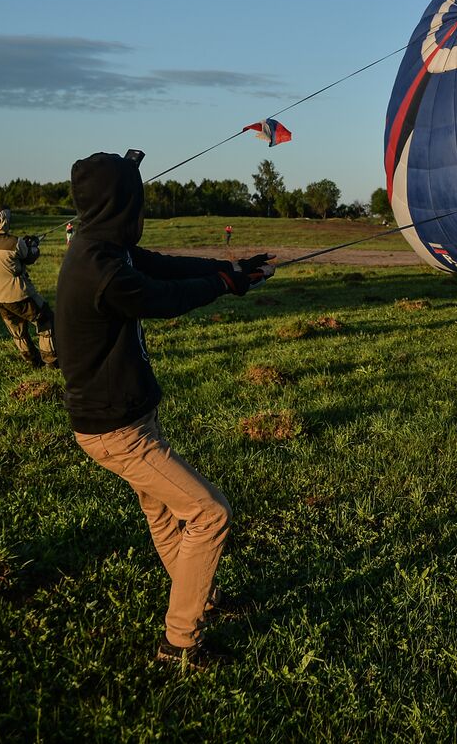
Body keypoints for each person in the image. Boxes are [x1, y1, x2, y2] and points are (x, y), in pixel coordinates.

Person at [56, 150, 274, 667]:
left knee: (161, 510)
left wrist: (229, 269)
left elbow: (166, 267)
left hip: (126, 418)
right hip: (115, 432)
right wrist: (223, 285)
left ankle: (197, 598)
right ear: (121, 202)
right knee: (209, 513)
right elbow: (161, 297)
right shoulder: (102, 269)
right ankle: (179, 643)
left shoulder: (102, 247)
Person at [0, 206, 58, 368]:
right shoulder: (14, 242)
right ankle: (51, 361)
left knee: (18, 331)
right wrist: (33, 245)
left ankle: (32, 361)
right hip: (20, 294)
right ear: (2, 221)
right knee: (45, 320)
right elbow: (30, 256)